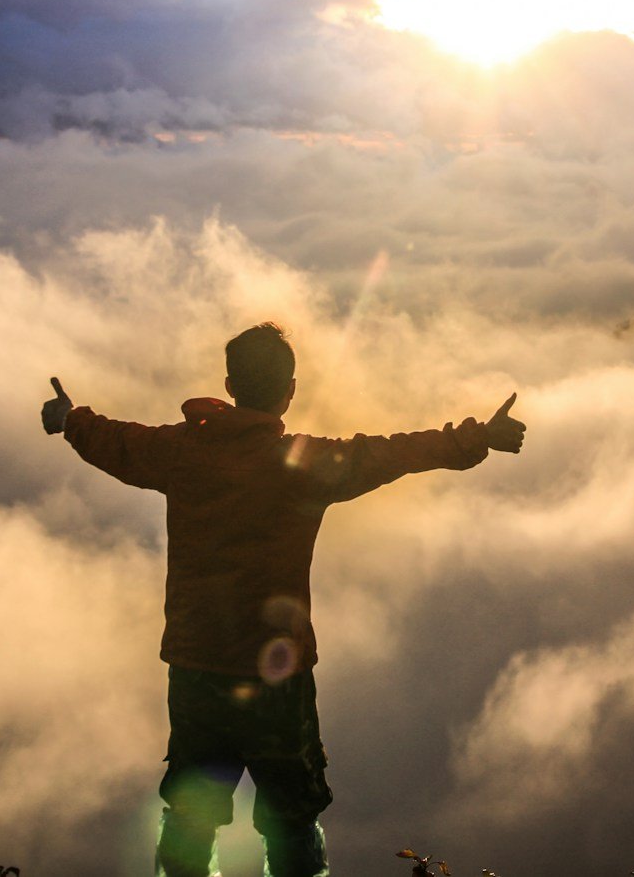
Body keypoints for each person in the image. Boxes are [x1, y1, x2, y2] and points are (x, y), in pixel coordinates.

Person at [40, 322, 525, 877]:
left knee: (191, 815)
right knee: (292, 818)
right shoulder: (301, 464)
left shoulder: (179, 451)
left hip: (197, 669)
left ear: (229, 383)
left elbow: (115, 441)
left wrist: (68, 419)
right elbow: (389, 453)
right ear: (289, 389)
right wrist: (476, 438)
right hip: (278, 676)